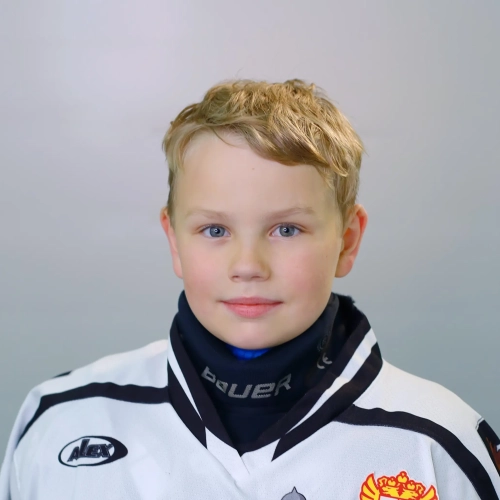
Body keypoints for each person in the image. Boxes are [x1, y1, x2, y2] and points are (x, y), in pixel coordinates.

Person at [1, 79, 499, 500]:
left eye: (286, 229)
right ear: (174, 241)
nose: (247, 266)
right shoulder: (62, 420)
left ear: (347, 241)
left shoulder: (436, 443)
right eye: (215, 230)